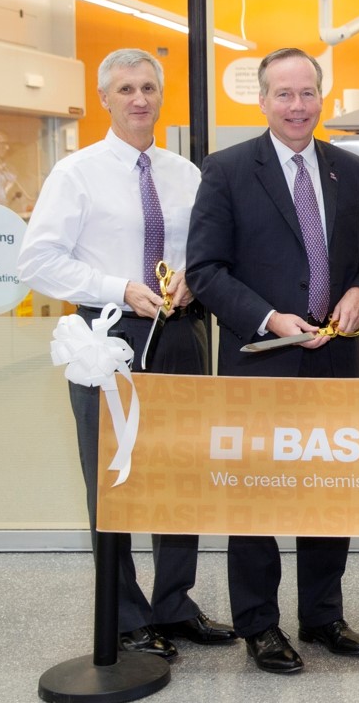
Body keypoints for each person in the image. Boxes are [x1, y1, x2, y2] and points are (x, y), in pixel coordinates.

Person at [17, 48, 237, 661]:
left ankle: (174, 604)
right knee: (112, 478)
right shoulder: (76, 174)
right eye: (125, 89)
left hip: (182, 331)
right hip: (107, 337)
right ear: (104, 100)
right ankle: (123, 614)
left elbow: (206, 244)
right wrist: (118, 288)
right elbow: (37, 262)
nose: (139, 99)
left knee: (181, 472)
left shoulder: (186, 173)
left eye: (147, 87)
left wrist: (194, 276)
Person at [185, 47, 359, 675]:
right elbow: (205, 271)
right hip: (260, 360)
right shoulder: (227, 169)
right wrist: (269, 318)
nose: (297, 106)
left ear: (322, 97)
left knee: (330, 492)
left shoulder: (350, 171)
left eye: (307, 93)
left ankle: (323, 615)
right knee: (258, 497)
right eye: (284, 94)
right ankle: (260, 625)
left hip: (335, 359)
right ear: (262, 99)